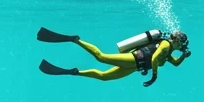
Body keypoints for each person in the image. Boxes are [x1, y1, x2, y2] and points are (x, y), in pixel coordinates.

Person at [37, 27, 190, 87]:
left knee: (104, 77)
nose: (181, 46)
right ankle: (75, 40)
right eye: (181, 44)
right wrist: (154, 76)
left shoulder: (169, 53)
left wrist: (183, 56)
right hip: (134, 59)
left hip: (135, 67)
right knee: (101, 57)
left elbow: (175, 63)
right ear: (176, 40)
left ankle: (75, 72)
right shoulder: (165, 45)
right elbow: (155, 57)